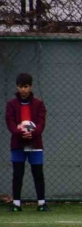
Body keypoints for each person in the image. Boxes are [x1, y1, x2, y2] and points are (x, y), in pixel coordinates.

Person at [5, 73, 49, 212]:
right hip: (18, 143)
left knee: (38, 173)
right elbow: (10, 122)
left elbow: (41, 123)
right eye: (20, 86)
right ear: (17, 86)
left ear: (31, 86)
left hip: (35, 144)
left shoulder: (39, 104)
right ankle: (16, 204)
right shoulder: (11, 104)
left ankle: (41, 203)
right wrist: (19, 132)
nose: (23, 90)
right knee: (18, 174)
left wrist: (34, 132)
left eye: (26, 86)